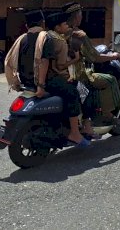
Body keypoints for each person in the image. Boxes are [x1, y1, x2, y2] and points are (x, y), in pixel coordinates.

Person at [5, 9, 89, 148]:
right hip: (46, 82)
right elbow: (44, 62)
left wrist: (16, 82)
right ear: (43, 23)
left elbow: (10, 61)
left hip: (26, 81)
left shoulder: (22, 39)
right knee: (73, 92)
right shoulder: (46, 38)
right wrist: (41, 85)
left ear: (27, 26)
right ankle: (75, 133)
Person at [61, 2, 120, 126]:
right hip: (78, 75)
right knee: (110, 80)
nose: (81, 17)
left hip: (61, 73)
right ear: (76, 16)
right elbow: (95, 57)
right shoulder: (79, 35)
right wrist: (113, 56)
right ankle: (107, 114)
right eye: (80, 14)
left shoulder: (60, 32)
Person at [43, 10, 91, 146]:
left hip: (44, 78)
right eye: (64, 24)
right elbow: (61, 64)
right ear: (57, 27)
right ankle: (76, 131)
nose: (67, 26)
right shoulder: (60, 40)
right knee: (80, 91)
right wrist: (76, 59)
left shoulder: (46, 36)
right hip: (56, 77)